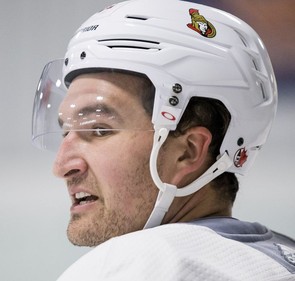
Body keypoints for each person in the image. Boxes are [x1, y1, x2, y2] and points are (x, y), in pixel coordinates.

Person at [32, 0, 295, 280]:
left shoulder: (137, 265)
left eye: (99, 130)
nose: (61, 166)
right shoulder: (281, 256)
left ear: (188, 151)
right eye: (65, 132)